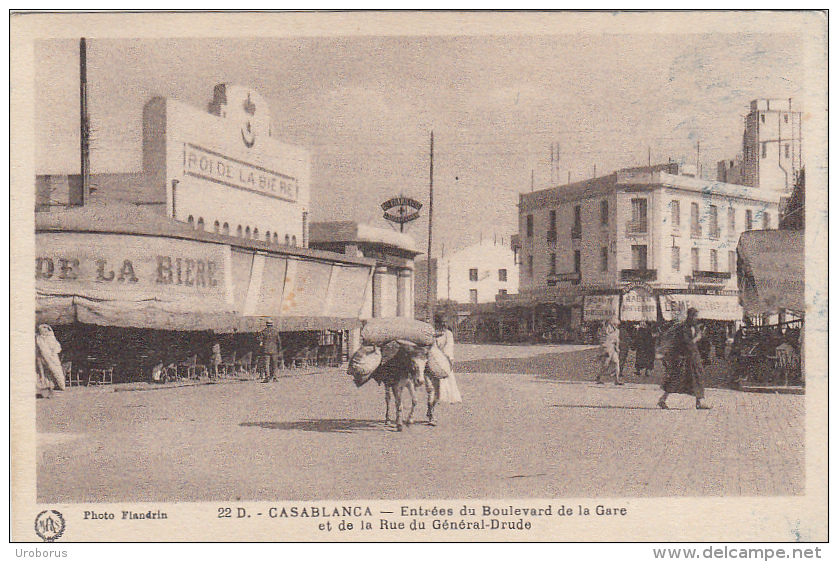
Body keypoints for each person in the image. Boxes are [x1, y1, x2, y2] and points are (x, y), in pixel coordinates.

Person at [657, 307, 711, 410]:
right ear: (690, 316)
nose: (696, 318)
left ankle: (699, 401)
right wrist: (697, 338)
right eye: (694, 316)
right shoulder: (684, 328)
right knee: (676, 378)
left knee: (698, 377)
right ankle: (662, 399)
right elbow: (686, 343)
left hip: (694, 356)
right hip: (685, 357)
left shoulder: (694, 327)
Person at [36, 324, 65, 397]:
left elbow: (57, 347)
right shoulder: (38, 338)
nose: (45, 330)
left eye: (47, 329)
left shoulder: (51, 337)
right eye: (44, 329)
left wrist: (52, 353)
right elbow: (41, 349)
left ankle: (60, 385)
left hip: (53, 358)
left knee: (56, 371)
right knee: (43, 374)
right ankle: (47, 389)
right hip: (42, 357)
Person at [596, 316, 623, 385]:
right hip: (607, 349)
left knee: (616, 363)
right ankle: (599, 376)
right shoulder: (605, 331)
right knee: (605, 365)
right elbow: (602, 340)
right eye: (615, 324)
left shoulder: (617, 331)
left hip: (613, 349)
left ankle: (616, 380)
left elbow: (617, 341)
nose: (616, 325)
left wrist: (617, 349)